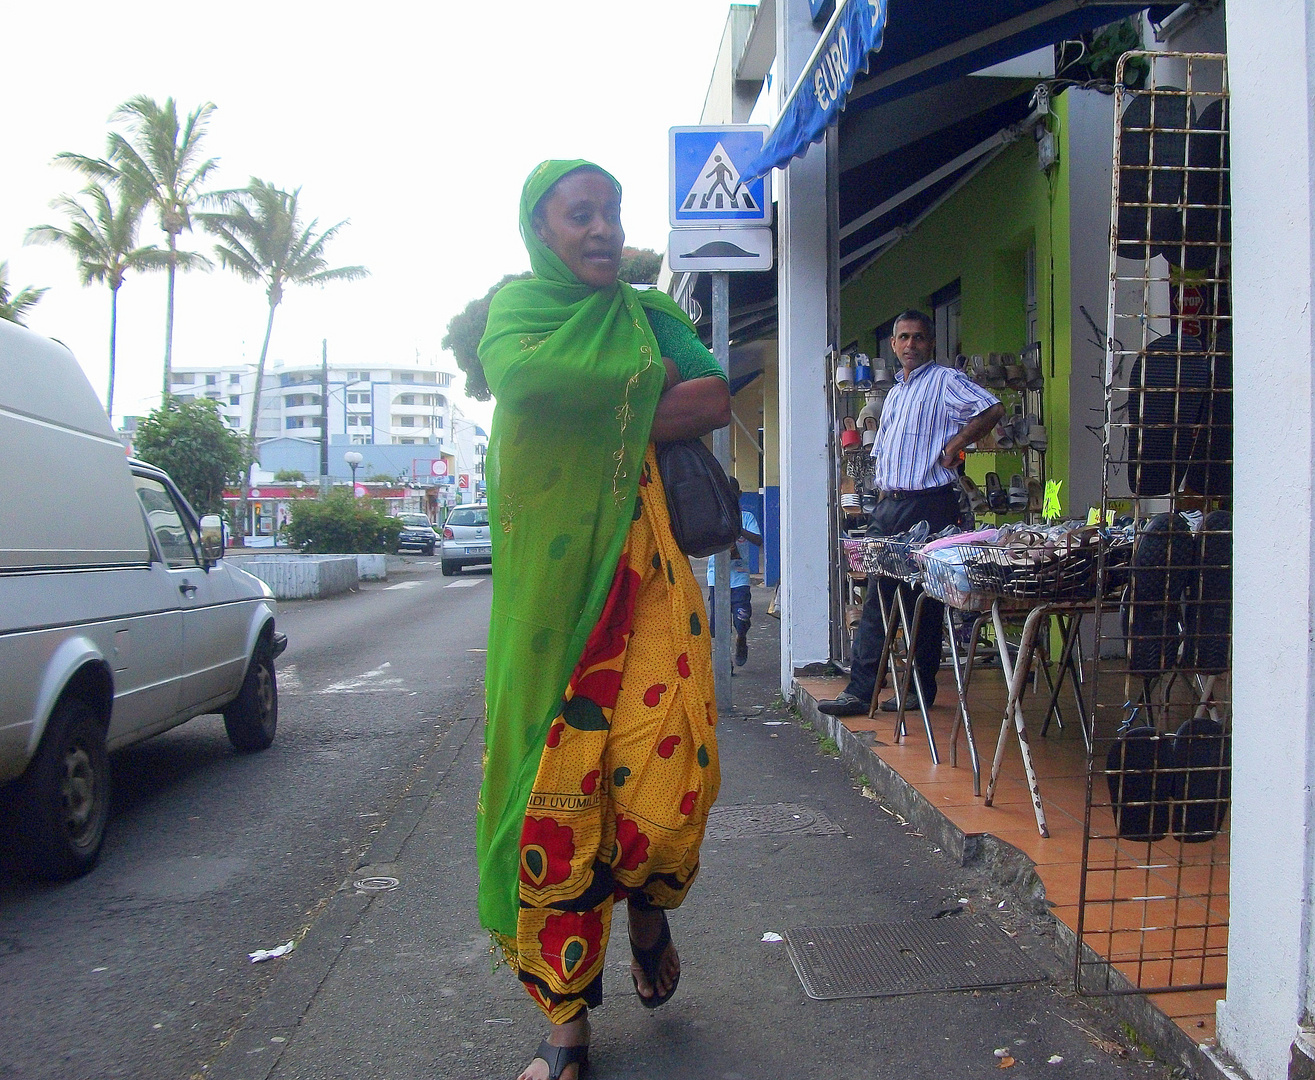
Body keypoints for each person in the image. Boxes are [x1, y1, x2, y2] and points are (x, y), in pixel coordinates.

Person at [476, 160, 731, 1080]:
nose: (601, 230)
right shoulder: (517, 315)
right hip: (557, 609)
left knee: (664, 793)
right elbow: (524, 385)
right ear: (541, 232)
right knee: (562, 799)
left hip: (651, 583)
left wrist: (621, 391)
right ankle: (565, 1027)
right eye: (579, 216)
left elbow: (711, 394)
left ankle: (649, 910)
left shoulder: (648, 311)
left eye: (610, 212)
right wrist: (640, 385)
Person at [819, 310, 1003, 718]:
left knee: (917, 599)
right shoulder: (898, 391)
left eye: (918, 337)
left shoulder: (944, 381)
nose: (910, 345)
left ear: (930, 342)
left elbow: (991, 408)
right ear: (893, 344)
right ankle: (885, 690)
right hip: (890, 503)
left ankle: (890, 690)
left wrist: (957, 441)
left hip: (928, 503)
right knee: (882, 597)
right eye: (903, 338)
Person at [706, 477, 762, 667]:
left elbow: (758, 540)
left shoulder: (746, 517)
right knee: (718, 623)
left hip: (739, 577)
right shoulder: (713, 518)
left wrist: (740, 530)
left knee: (742, 616)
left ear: (738, 495)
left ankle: (741, 638)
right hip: (717, 577)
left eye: (732, 495)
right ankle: (724, 659)